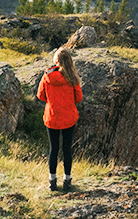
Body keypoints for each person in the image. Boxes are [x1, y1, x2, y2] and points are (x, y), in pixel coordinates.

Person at [37, 46, 83, 192]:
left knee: (54, 149)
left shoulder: (47, 76)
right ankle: (67, 181)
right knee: (67, 149)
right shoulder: (72, 78)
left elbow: (40, 96)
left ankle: (52, 181)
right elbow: (79, 98)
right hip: (69, 117)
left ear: (56, 60)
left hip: (52, 117)